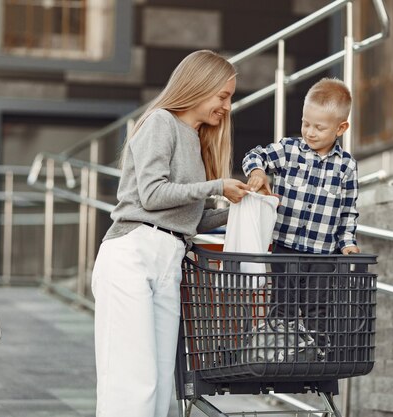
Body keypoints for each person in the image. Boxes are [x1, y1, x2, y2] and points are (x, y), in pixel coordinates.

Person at [91, 50, 250, 417]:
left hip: (169, 258)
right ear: (198, 86)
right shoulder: (160, 122)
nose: (226, 106)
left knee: (162, 383)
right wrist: (215, 186)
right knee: (133, 382)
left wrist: (242, 205)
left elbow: (188, 219)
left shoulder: (195, 139)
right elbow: (152, 194)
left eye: (230, 98)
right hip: (133, 252)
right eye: (222, 96)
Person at [242, 77, 360, 394]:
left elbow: (348, 210)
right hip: (285, 248)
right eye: (306, 123)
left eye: (319, 127)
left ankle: (315, 358)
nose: (309, 132)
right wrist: (257, 171)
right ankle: (278, 356)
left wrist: (347, 244)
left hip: (324, 254)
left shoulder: (346, 167)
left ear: (341, 129)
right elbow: (256, 154)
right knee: (283, 303)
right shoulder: (289, 150)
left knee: (318, 308)